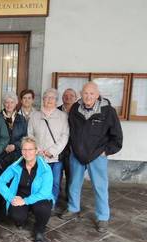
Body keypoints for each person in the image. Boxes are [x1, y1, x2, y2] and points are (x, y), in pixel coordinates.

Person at [60, 82, 123, 233]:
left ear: (97, 94)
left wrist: (105, 152)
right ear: (81, 94)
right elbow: (70, 130)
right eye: (85, 93)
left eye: (91, 94)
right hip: (77, 155)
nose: (88, 97)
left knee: (100, 187)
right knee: (74, 184)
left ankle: (103, 217)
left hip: (97, 156)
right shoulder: (75, 108)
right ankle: (73, 208)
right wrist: (71, 148)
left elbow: (117, 137)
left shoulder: (108, 111)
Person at [0, 137, 54, 242]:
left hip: (38, 197)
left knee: (44, 208)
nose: (27, 153)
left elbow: (45, 192)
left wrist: (26, 201)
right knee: (17, 215)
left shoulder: (45, 169)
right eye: (24, 149)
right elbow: (0, 182)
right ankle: (22, 218)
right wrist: (10, 197)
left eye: (30, 149)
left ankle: (39, 230)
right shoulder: (16, 166)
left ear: (36, 151)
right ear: (21, 151)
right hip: (20, 196)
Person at [27, 88, 69, 209]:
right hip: (38, 156)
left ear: (56, 101)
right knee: (37, 181)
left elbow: (65, 136)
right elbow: (30, 134)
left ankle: (51, 203)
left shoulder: (62, 116)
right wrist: (38, 149)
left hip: (55, 157)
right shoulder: (34, 115)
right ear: (43, 99)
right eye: (47, 97)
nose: (49, 100)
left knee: (54, 182)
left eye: (52, 98)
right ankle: (37, 203)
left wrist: (52, 151)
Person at [57, 88, 78, 200]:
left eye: (71, 95)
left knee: (72, 176)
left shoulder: (79, 111)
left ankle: (70, 199)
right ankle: (56, 196)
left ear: (76, 98)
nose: (68, 97)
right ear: (62, 98)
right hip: (58, 149)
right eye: (65, 95)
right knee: (56, 175)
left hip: (73, 150)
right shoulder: (56, 110)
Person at [0, 91, 28, 168]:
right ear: (3, 103)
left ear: (16, 103)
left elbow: (25, 136)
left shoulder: (21, 119)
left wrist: (15, 146)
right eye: (7, 102)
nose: (9, 105)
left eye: (12, 102)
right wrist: (4, 146)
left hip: (17, 155)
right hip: (1, 156)